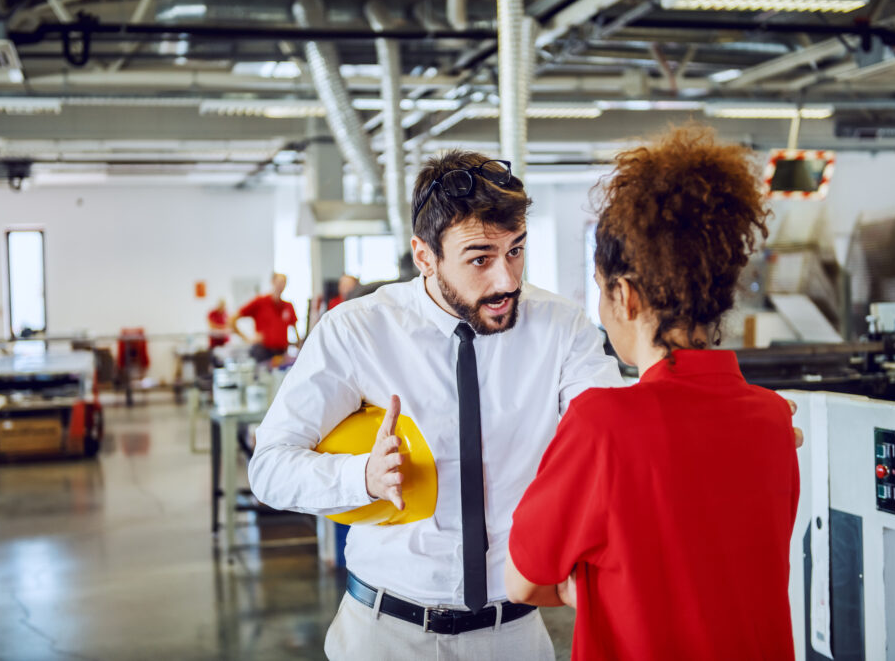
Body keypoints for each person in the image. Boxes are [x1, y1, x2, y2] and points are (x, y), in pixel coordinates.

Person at [248, 150, 624, 659]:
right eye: (479, 259)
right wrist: (361, 478)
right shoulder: (357, 330)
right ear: (424, 256)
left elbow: (612, 439)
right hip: (387, 632)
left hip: (514, 633)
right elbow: (269, 468)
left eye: (515, 251)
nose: (506, 280)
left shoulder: (561, 328)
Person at [504, 125, 800, 660]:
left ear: (625, 294)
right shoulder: (774, 419)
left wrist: (585, 589)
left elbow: (522, 582)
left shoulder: (603, 424)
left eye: (600, 291)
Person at [230, 273, 299, 363]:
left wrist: (299, 345)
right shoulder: (260, 302)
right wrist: (247, 339)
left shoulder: (288, 306)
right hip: (263, 352)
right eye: (279, 282)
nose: (281, 285)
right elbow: (232, 319)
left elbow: (294, 326)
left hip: (281, 353)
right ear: (272, 282)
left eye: (284, 283)